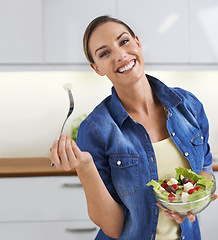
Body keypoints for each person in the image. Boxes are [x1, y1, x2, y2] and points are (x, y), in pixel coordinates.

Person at [50, 15, 217, 240]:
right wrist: (85, 166)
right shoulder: (96, 129)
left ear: (137, 42)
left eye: (124, 41)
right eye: (104, 53)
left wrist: (196, 198)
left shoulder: (188, 105)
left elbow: (205, 166)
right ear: (96, 67)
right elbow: (113, 227)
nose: (120, 55)